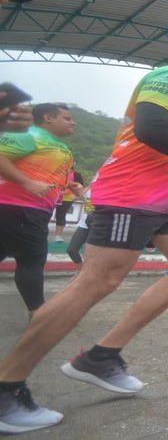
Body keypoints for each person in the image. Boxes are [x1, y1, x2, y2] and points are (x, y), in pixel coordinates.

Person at [0, 22, 168, 434]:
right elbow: (150, 127)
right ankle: (7, 387)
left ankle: (101, 356)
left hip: (167, 198)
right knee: (96, 282)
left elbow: (161, 137)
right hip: (131, 194)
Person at [0, 103, 80, 314]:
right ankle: (37, 315)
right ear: (48, 118)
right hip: (18, 208)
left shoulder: (58, 146)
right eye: (67, 118)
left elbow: (47, 173)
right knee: (31, 261)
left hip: (32, 211)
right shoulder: (28, 135)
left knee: (29, 260)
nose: (73, 122)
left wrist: (70, 185)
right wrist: (27, 183)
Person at [52, 170, 84, 242]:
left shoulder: (76, 174)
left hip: (67, 198)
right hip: (53, 196)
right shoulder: (57, 170)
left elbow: (80, 186)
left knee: (61, 215)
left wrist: (76, 196)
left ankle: (57, 235)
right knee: (47, 213)